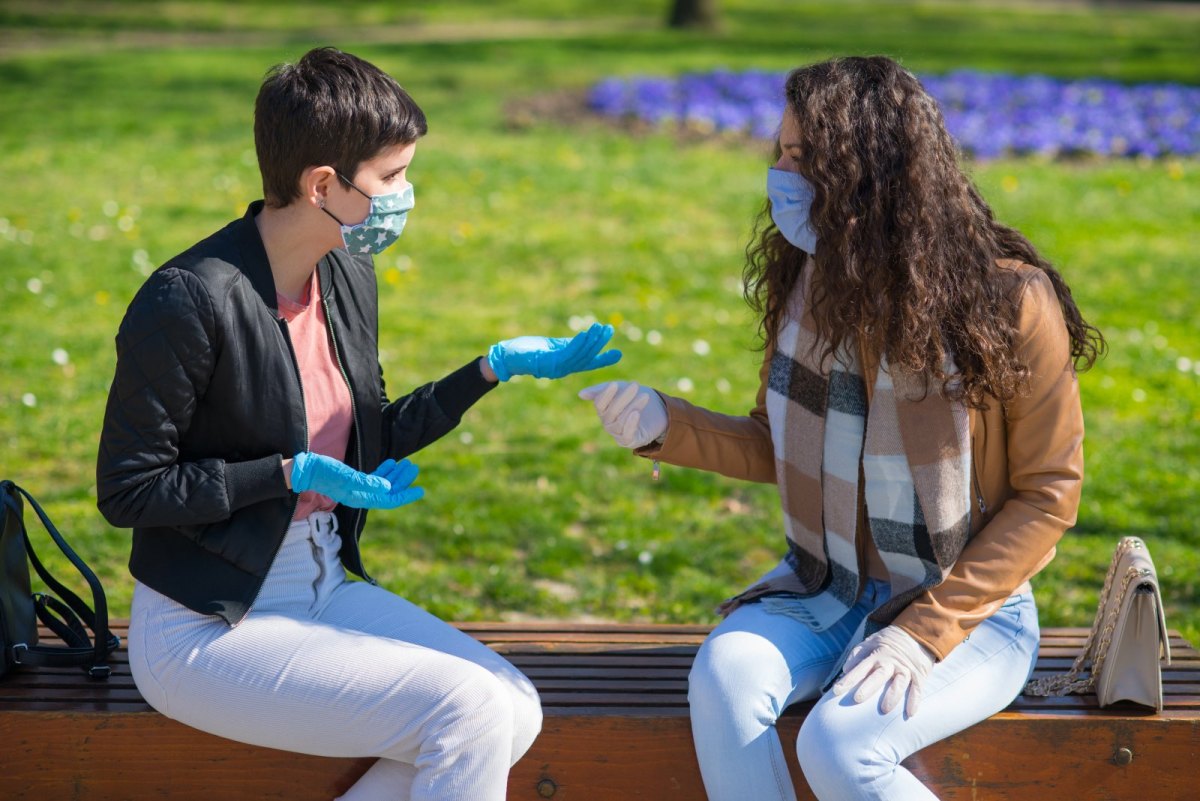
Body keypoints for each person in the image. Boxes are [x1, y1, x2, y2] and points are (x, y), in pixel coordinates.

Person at [96, 47, 621, 801]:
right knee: (466, 710)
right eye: (394, 176)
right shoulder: (189, 299)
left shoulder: (344, 271)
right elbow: (129, 489)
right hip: (206, 626)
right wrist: (284, 475)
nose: (409, 193)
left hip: (321, 582)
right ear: (322, 185)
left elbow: (368, 435)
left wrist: (490, 369)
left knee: (511, 707)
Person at [580, 55, 1104, 801]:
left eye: (806, 158)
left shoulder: (1010, 300)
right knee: (724, 679)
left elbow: (1049, 493)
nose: (782, 174)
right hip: (826, 588)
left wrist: (923, 632)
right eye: (781, 152)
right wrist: (667, 424)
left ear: (873, 172)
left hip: (968, 609)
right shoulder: (808, 279)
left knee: (841, 745)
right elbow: (780, 442)